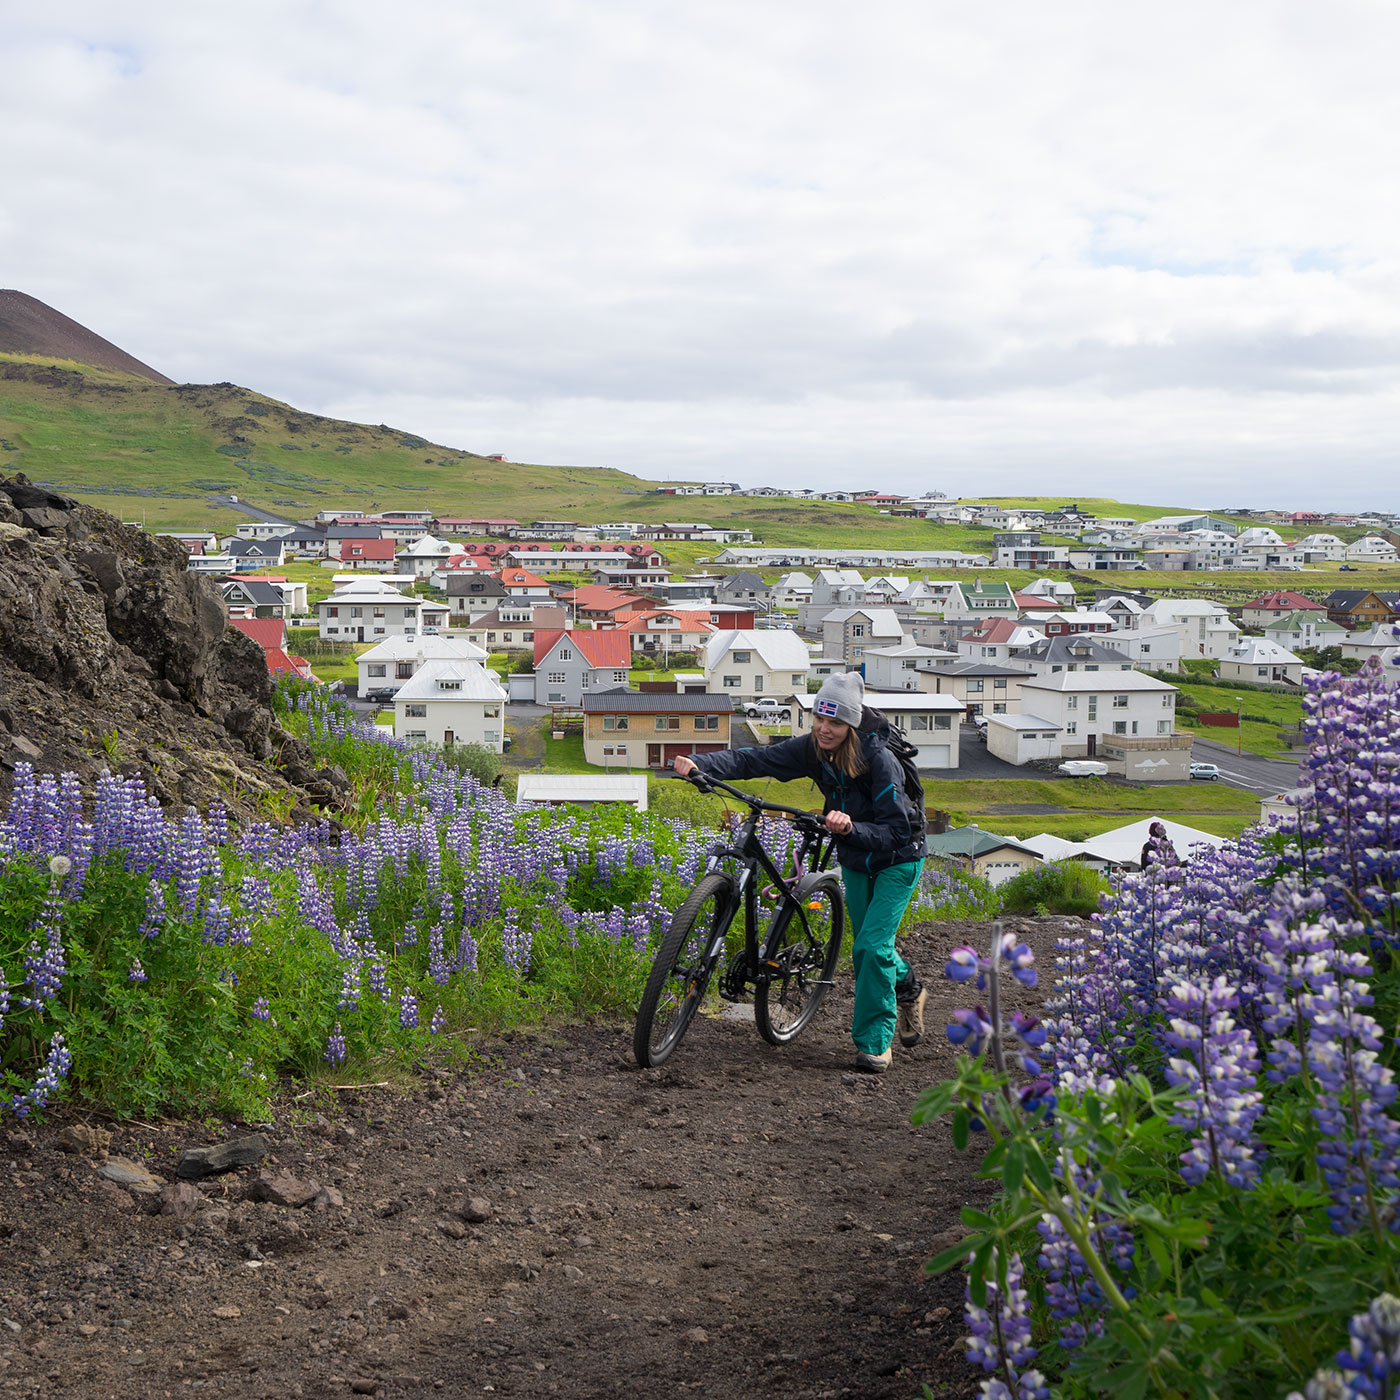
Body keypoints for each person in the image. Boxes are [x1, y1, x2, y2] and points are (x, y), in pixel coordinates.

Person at [672, 672, 926, 1074]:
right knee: (870, 944)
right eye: (820, 719)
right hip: (857, 857)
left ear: (852, 725)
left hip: (899, 858)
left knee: (872, 948)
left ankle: (875, 1044)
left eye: (836, 722)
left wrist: (850, 827)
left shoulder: (879, 761)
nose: (825, 729)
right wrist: (699, 764)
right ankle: (909, 988)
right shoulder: (813, 749)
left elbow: (897, 828)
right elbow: (752, 759)